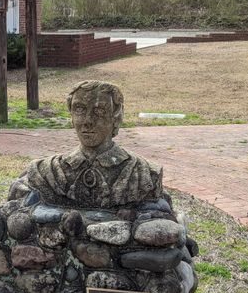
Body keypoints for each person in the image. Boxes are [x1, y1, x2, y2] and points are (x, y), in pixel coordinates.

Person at [18, 81, 163, 209]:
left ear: (116, 117)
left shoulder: (143, 173)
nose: (88, 121)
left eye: (99, 111)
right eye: (79, 109)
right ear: (71, 117)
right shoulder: (47, 172)